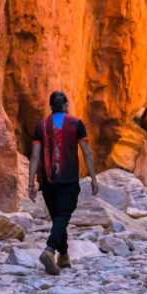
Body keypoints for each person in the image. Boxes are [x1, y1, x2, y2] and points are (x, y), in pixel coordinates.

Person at [28, 91, 98, 275]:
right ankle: (50, 250)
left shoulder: (41, 126)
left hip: (48, 182)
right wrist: (93, 178)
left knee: (58, 218)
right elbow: (87, 152)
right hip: (69, 179)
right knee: (63, 216)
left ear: (51, 107)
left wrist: (31, 184)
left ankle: (64, 256)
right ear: (66, 105)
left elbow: (35, 156)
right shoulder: (76, 124)